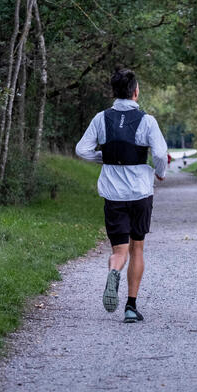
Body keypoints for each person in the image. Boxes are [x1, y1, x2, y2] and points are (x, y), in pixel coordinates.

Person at [75, 67, 168, 322]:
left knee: (119, 250)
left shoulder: (101, 118)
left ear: (114, 92)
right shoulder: (147, 121)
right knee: (137, 248)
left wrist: (103, 158)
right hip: (140, 192)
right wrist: (159, 173)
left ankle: (114, 271)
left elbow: (81, 150)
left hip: (113, 193)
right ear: (135, 92)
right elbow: (160, 154)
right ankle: (130, 306)